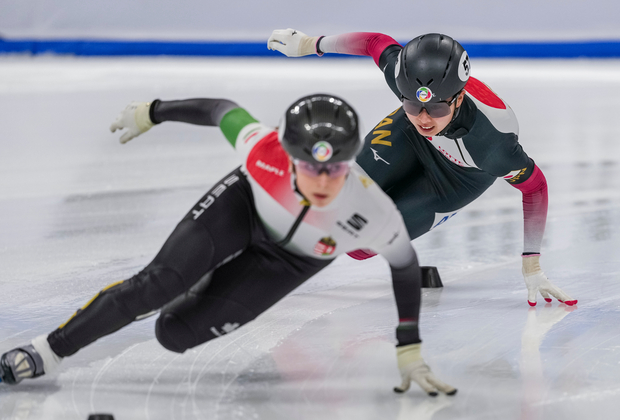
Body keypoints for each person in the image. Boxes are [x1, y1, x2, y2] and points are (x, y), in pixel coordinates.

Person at [0, 94, 456, 396]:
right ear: (287, 152)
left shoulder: (371, 211)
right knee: (155, 284)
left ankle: (189, 281)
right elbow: (221, 109)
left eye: (335, 169)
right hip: (242, 208)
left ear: (349, 163)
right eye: (309, 167)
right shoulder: (265, 152)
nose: (322, 182)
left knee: (173, 333)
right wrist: (153, 110)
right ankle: (49, 351)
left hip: (291, 262)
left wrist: (408, 345)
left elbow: (403, 265)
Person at [267, 29, 577, 307]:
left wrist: (531, 263)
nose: (425, 118)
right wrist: (312, 44)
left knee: (358, 246)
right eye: (412, 105)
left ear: (459, 98)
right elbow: (376, 42)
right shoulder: (410, 96)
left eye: (437, 107)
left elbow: (535, 187)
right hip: (408, 137)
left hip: (456, 181)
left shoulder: (493, 145)